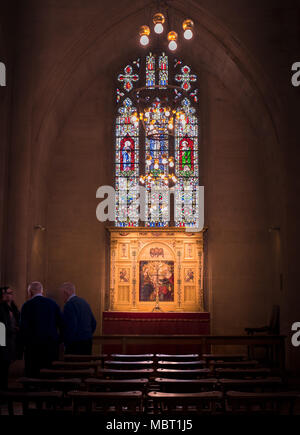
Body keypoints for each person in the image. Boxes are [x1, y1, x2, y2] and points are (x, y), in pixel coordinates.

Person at [20, 281, 63, 377]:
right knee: (50, 373)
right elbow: (61, 324)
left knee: (34, 373)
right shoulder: (53, 304)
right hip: (51, 345)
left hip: (33, 346)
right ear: (41, 291)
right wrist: (58, 340)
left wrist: (23, 344)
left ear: (30, 292)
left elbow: (23, 328)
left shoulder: (27, 305)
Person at [60, 282, 96, 355]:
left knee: (73, 365)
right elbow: (94, 323)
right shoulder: (84, 302)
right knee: (86, 365)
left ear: (65, 292)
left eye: (61, 294)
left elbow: (71, 326)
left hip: (75, 345)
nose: (61, 297)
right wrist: (86, 335)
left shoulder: (69, 305)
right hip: (87, 342)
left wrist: (66, 343)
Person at [0, 286, 21, 390]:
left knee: (6, 367)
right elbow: (1, 326)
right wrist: (13, 330)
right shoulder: (1, 308)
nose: (8, 295)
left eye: (10, 293)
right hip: (3, 342)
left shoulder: (14, 308)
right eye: (5, 293)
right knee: (3, 368)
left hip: (12, 342)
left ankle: (4, 390)